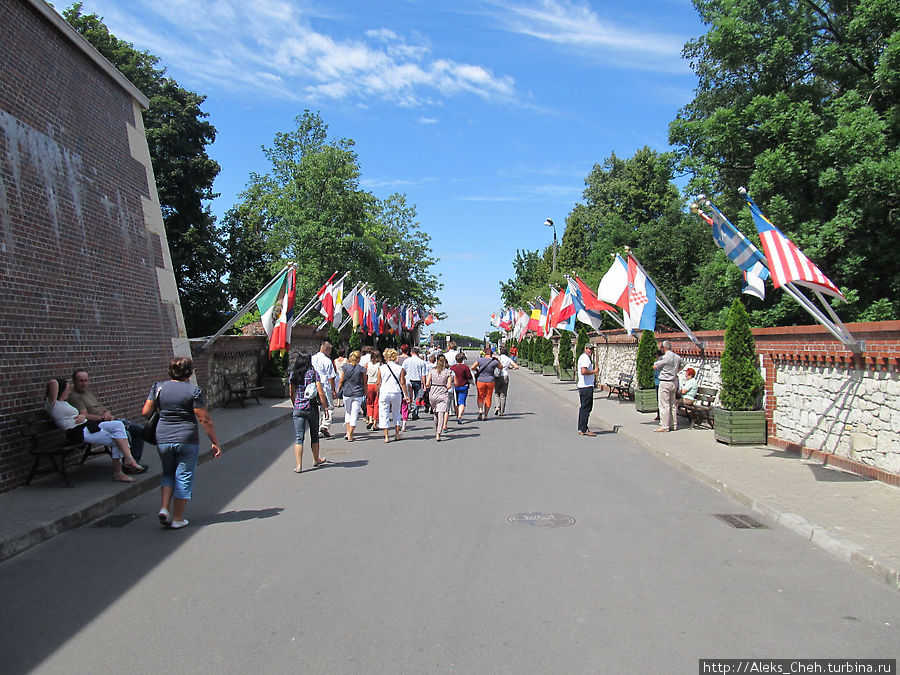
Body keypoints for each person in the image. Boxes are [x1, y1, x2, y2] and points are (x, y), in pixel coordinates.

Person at [142, 357, 220, 528]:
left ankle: (164, 508)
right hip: (186, 439)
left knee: (168, 473)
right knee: (184, 476)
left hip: (162, 437)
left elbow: (146, 412)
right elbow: (204, 419)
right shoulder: (194, 391)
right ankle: (177, 518)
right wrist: (214, 442)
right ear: (189, 372)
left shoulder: (158, 387)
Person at [45, 377, 146, 483]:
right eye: (67, 388)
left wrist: (82, 416)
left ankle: (124, 466)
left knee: (118, 430)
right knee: (117, 434)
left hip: (86, 427)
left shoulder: (63, 403)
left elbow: (72, 415)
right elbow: (52, 382)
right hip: (76, 432)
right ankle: (125, 465)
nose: (68, 390)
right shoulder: (52, 404)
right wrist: (60, 382)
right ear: (60, 390)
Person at [68, 369, 147, 471]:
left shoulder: (88, 393)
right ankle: (128, 465)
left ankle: (135, 461)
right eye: (81, 381)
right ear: (74, 381)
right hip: (97, 425)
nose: (84, 383)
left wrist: (107, 413)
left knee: (139, 429)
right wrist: (102, 418)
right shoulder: (74, 397)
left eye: (86, 380)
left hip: (108, 420)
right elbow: (85, 415)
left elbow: (101, 408)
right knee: (125, 433)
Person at [288, 352, 329, 473]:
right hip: (311, 408)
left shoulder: (293, 374)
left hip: (299, 408)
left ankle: (299, 465)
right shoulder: (312, 374)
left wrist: (295, 403)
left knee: (299, 438)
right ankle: (316, 459)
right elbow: (320, 392)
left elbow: (291, 393)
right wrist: (325, 408)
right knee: (314, 435)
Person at [376, 348, 409, 442]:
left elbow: (378, 382)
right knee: (396, 412)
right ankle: (397, 434)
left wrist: (378, 393)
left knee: (384, 413)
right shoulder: (400, 368)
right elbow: (402, 383)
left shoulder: (381, 368)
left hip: (384, 391)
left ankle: (386, 436)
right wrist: (406, 395)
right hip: (396, 391)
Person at [653, 340, 683, 433]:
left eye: (661, 347)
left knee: (664, 404)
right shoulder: (676, 357)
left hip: (665, 382)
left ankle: (665, 426)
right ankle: (674, 424)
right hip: (673, 382)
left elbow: (655, 366)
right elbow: (683, 364)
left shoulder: (664, 357)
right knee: (673, 404)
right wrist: (676, 371)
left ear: (664, 348)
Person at [338, 351, 367, 441]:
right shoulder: (362, 369)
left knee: (348, 412)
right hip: (357, 393)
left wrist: (338, 390)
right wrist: (366, 392)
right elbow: (364, 383)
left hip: (347, 392)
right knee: (354, 414)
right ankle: (350, 434)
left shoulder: (345, 367)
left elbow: (341, 380)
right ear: (359, 359)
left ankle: (348, 432)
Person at [425, 355, 454, 441]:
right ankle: (438, 433)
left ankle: (436, 428)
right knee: (441, 413)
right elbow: (449, 386)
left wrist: (432, 385)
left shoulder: (432, 371)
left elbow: (427, 383)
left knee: (435, 413)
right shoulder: (448, 372)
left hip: (433, 392)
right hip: (442, 392)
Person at [312, 341, 337, 437]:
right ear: (326, 350)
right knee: (328, 407)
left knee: (315, 407)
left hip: (313, 386)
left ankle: (316, 427)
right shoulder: (327, 361)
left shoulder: (312, 358)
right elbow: (331, 377)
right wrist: (333, 390)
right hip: (324, 386)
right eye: (329, 351)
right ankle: (324, 426)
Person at [472, 346, 502, 421]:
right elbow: (501, 367)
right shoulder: (494, 361)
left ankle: (480, 410)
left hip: (480, 380)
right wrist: (497, 360)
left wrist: (477, 370)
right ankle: (486, 415)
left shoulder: (480, 360)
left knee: (480, 396)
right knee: (488, 397)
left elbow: (472, 367)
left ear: (484, 353)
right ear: (492, 353)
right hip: (491, 380)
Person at [577, 344, 599, 436]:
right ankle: (584, 429)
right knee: (586, 408)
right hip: (586, 387)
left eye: (592, 349)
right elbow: (583, 371)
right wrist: (594, 371)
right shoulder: (585, 358)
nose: (591, 351)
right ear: (585, 349)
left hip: (583, 386)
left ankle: (581, 428)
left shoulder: (583, 357)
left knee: (583, 408)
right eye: (589, 349)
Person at [402, 346, 427, 420]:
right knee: (418, 397)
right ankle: (415, 411)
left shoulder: (406, 361)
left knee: (408, 396)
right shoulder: (422, 362)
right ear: (418, 353)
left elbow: (403, 371)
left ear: (411, 353)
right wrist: (424, 384)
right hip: (417, 380)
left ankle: (409, 408)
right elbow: (423, 375)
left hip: (408, 379)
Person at [493, 347, 520, 416]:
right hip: (505, 376)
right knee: (503, 394)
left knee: (496, 393)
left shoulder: (498, 358)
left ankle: (497, 407)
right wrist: (511, 368)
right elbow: (516, 366)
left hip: (497, 376)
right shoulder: (508, 359)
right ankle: (502, 412)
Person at [449, 352, 473, 424]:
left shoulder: (452, 367)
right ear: (463, 359)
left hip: (454, 386)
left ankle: (457, 415)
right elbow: (469, 377)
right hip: (464, 386)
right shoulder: (465, 367)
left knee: (456, 402)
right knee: (462, 402)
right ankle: (459, 416)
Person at [365, 350, 382, 429]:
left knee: (369, 403)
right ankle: (375, 422)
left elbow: (365, 375)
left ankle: (370, 419)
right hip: (377, 384)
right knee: (376, 404)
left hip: (369, 384)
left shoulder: (367, 365)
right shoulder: (380, 365)